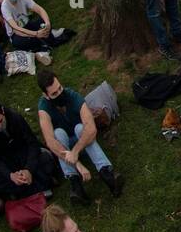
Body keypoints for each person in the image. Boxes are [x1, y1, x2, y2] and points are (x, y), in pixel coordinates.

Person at [37, 68, 124, 204]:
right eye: (54, 93)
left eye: (60, 88)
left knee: (80, 128)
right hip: (64, 148)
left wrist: (76, 151)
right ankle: (76, 185)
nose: (60, 93)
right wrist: (77, 163)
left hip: (83, 141)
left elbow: (91, 129)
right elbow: (50, 142)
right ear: (46, 95)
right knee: (58, 134)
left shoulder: (72, 96)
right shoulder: (43, 108)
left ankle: (107, 173)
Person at [0, 94, 59, 201]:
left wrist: (28, 169)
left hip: (24, 154)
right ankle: (42, 185)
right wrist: (10, 175)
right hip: (9, 162)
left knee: (46, 158)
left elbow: (32, 143)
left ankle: (24, 191)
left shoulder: (15, 118)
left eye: (0, 121)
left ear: (2, 111)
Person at [0, 0, 68, 54]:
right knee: (23, 41)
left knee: (43, 23)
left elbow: (39, 9)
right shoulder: (5, 7)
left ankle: (43, 40)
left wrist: (47, 22)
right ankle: (42, 42)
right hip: (17, 34)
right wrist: (36, 34)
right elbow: (16, 28)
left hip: (27, 25)